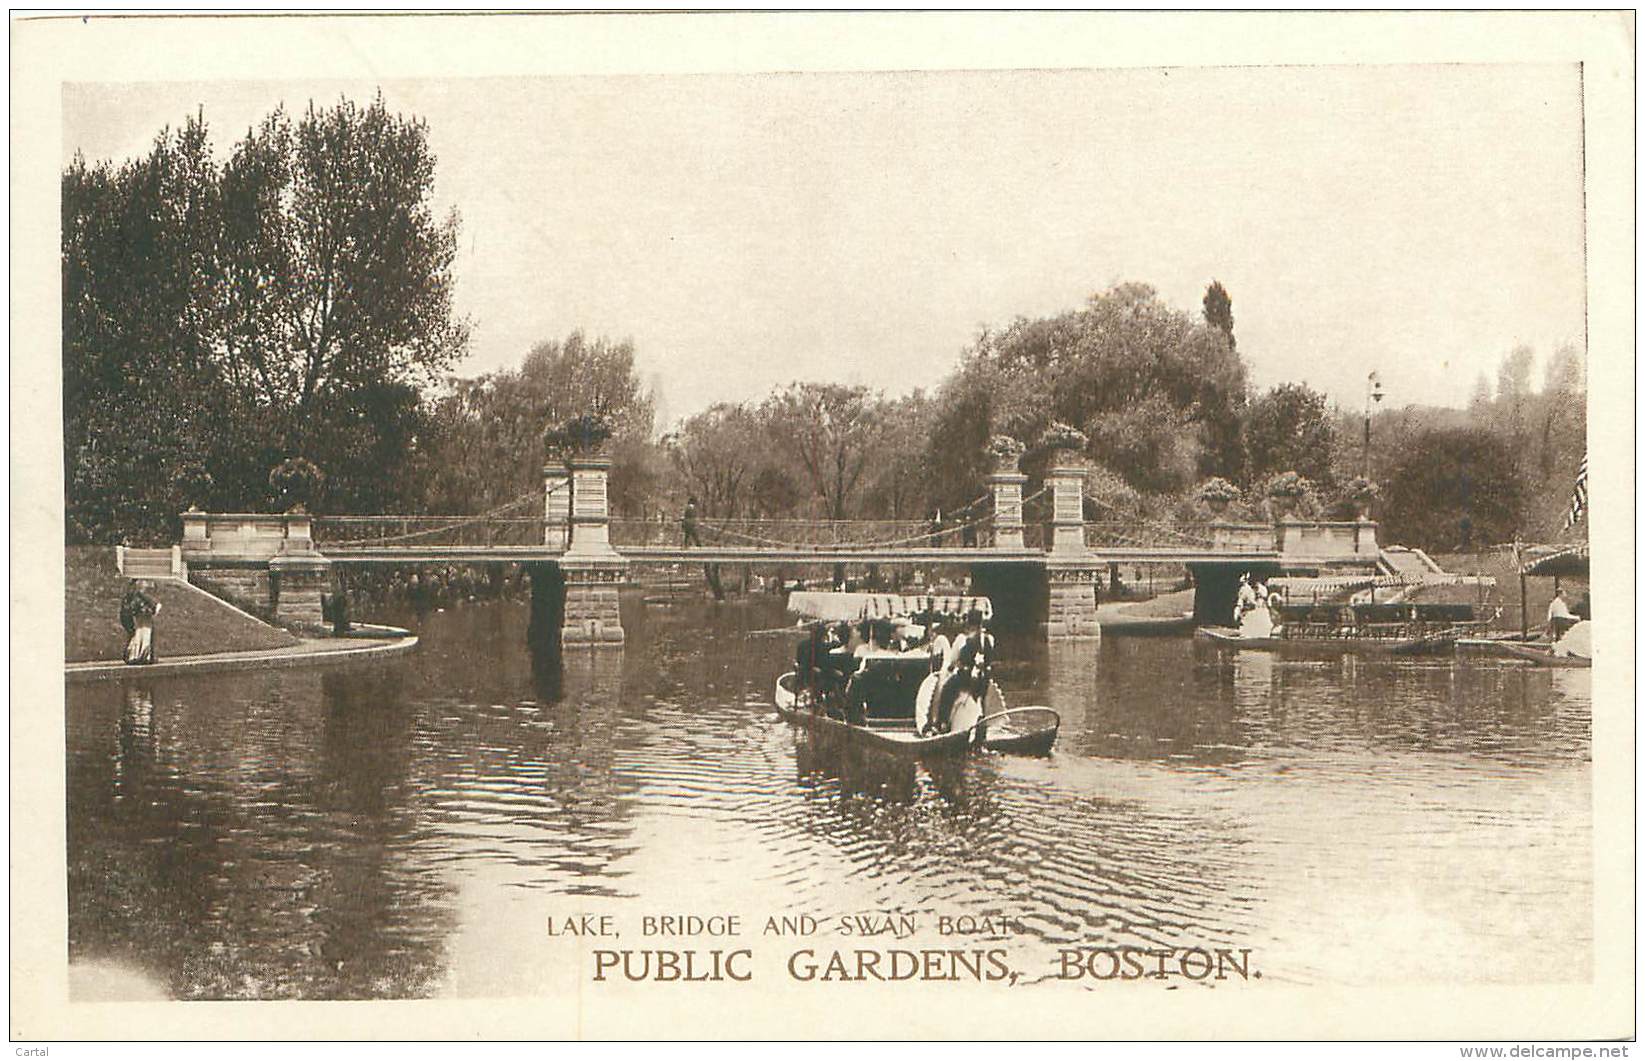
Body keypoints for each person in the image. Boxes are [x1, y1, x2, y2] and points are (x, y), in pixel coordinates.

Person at [120, 580, 160, 665]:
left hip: (139, 618)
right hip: (142, 619)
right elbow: (154, 606)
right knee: (143, 635)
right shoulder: (140, 596)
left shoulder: (133, 597)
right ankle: (142, 656)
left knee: (139, 635)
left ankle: (137, 655)